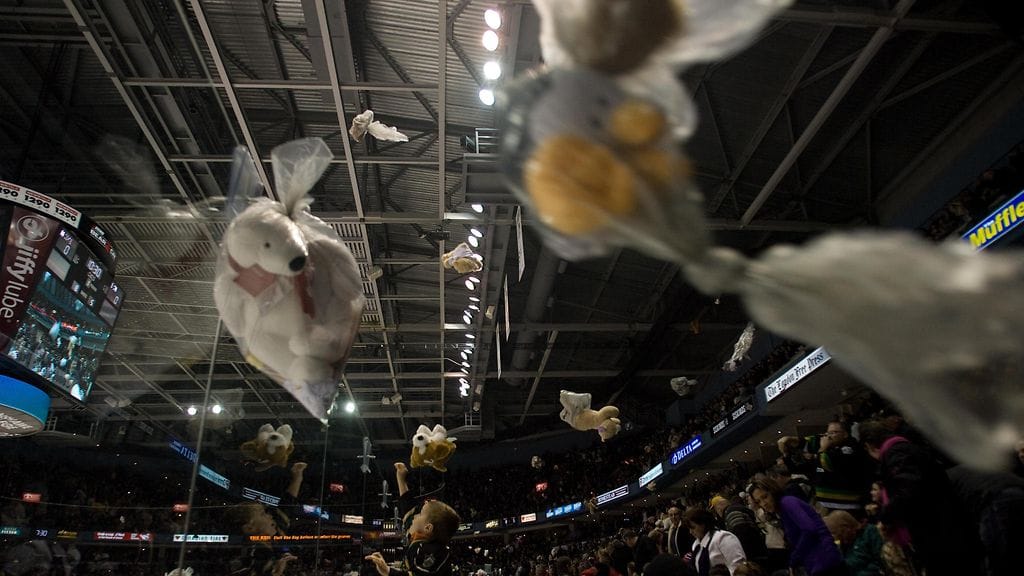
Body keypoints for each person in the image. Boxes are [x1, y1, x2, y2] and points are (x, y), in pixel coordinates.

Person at [859, 420, 973, 576]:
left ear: (869, 446)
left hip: (937, 529)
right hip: (939, 526)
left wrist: (886, 516)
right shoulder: (905, 449)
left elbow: (907, 490)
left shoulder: (897, 454)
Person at [365, 462, 460, 576]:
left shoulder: (432, 552)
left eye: (420, 514)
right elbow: (409, 510)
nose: (415, 516)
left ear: (428, 528)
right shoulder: (423, 543)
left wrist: (389, 572)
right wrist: (401, 479)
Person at [748, 474, 845, 576]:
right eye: (759, 501)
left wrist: (794, 558)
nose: (764, 503)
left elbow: (809, 529)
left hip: (825, 559)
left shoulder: (787, 502)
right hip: (816, 562)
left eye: (765, 497)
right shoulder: (782, 510)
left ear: (773, 492)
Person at [225, 462, 307, 576]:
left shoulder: (272, 539)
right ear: (250, 527)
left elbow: (285, 507)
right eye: (263, 514)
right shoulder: (257, 553)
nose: (270, 517)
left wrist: (297, 477)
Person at [946, 464, 1024, 576]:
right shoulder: (962, 470)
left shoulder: (937, 483)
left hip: (994, 499)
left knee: (998, 561)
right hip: (1016, 489)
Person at [813, 422, 869, 511]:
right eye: (828, 433)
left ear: (845, 434)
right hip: (831, 503)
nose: (829, 436)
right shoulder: (834, 447)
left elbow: (827, 463)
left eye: (834, 432)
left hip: (845, 503)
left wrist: (822, 449)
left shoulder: (850, 448)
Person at [683, 508, 746, 576]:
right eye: (689, 528)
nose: (690, 532)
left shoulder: (723, 538)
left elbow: (738, 566)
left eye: (693, 527)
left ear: (703, 524)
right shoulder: (696, 545)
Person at [710, 495, 767, 568]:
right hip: (759, 551)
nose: (717, 512)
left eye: (715, 509)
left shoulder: (731, 514)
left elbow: (742, 536)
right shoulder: (734, 511)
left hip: (755, 556)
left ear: (719, 507)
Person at [822, 511, 883, 576]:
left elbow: (880, 562)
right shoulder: (845, 540)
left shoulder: (870, 532)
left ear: (846, 527)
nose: (836, 537)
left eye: (835, 532)